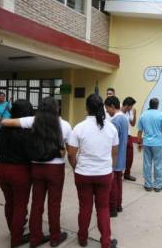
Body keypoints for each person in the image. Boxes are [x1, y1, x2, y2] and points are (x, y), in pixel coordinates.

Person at [1, 97, 72, 247]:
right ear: (57, 108)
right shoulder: (65, 125)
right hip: (55, 169)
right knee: (54, 204)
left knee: (36, 204)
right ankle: (54, 237)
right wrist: (63, 152)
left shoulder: (32, 120)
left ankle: (35, 238)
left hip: (37, 168)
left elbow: (4, 122)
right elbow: (70, 150)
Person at [68, 94, 119, 248]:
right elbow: (114, 152)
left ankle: (82, 238)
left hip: (83, 174)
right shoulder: (111, 127)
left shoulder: (79, 127)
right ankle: (105, 241)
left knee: (85, 207)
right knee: (103, 207)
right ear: (102, 107)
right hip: (104, 174)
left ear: (86, 108)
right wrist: (109, 169)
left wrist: (77, 168)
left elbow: (71, 154)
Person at [0, 100, 33, 248]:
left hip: (0, 170)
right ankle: (16, 239)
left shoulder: (3, 128)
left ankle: (14, 230)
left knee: (9, 202)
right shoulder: (26, 131)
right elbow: (31, 153)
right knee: (20, 205)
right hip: (19, 172)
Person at [137, 98, 162, 192]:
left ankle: (148, 185)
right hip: (158, 144)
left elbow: (140, 131)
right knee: (158, 164)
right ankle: (158, 185)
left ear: (149, 104)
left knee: (147, 164)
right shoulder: (161, 115)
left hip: (147, 143)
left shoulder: (143, 115)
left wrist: (139, 142)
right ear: (157, 105)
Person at [105, 96, 129, 218]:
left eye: (107, 108)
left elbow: (111, 142)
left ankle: (113, 208)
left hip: (114, 158)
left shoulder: (115, 121)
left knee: (113, 185)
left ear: (113, 106)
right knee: (118, 183)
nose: (107, 111)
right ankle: (118, 205)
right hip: (122, 156)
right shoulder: (124, 118)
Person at [121, 97, 137, 181]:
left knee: (130, 156)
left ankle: (127, 174)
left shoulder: (129, 112)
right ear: (127, 105)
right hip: (120, 137)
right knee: (120, 156)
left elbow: (133, 124)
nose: (132, 107)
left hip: (128, 136)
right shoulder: (118, 112)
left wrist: (134, 114)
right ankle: (118, 173)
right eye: (131, 106)